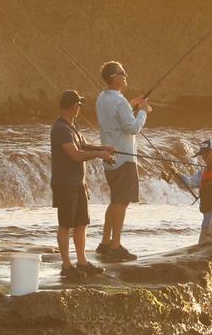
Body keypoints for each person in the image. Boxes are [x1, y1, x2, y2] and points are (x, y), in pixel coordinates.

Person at [50, 90, 115, 279]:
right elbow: (76, 155)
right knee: (65, 225)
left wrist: (103, 148)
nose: (80, 108)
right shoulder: (60, 129)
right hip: (65, 184)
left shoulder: (73, 127)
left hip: (78, 183)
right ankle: (67, 266)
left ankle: (82, 262)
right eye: (79, 105)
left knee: (81, 223)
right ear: (73, 106)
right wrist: (99, 155)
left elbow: (84, 146)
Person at [95, 61, 150, 261]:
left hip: (110, 157)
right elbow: (133, 127)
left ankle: (105, 242)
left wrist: (132, 104)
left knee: (114, 201)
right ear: (113, 78)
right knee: (121, 202)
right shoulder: (119, 102)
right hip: (125, 158)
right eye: (121, 73)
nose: (125, 75)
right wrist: (142, 110)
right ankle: (115, 245)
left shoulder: (102, 98)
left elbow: (119, 116)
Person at [164, 138, 212, 243]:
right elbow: (188, 183)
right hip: (208, 225)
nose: (204, 157)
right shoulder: (202, 172)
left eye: (207, 154)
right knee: (202, 249)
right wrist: (173, 172)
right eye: (203, 155)